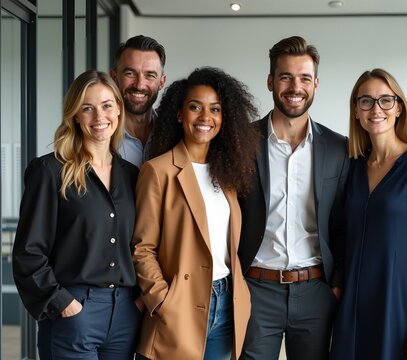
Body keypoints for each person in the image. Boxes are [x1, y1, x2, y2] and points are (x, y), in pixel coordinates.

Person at [132, 67, 260, 360]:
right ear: (179, 114)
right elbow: (142, 247)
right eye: (195, 107)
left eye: (215, 109)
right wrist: (162, 300)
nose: (206, 117)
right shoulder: (158, 171)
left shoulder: (227, 175)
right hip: (179, 305)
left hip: (227, 303)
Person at [12, 70, 141, 359]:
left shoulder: (132, 176)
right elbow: (28, 252)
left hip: (125, 313)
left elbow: (139, 246)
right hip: (74, 311)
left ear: (119, 109)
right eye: (87, 107)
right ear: (75, 115)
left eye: (107, 105)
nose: (99, 116)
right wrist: (63, 303)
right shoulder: (50, 171)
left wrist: (139, 301)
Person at [238, 35, 349, 360]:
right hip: (256, 287)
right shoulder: (243, 142)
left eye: (303, 78)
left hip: (315, 288)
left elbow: (343, 220)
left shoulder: (337, 148)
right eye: (286, 77)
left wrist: (337, 282)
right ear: (271, 81)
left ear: (315, 83)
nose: (294, 87)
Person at [329, 69, 407, 360]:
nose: (376, 109)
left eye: (385, 100)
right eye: (366, 101)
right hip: (354, 308)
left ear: (398, 107)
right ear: (356, 110)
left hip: (401, 308)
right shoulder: (351, 168)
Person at [110, 34, 167, 167]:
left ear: (162, 82)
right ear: (114, 77)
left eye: (150, 75)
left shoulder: (175, 135)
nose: (139, 85)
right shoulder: (99, 134)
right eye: (130, 73)